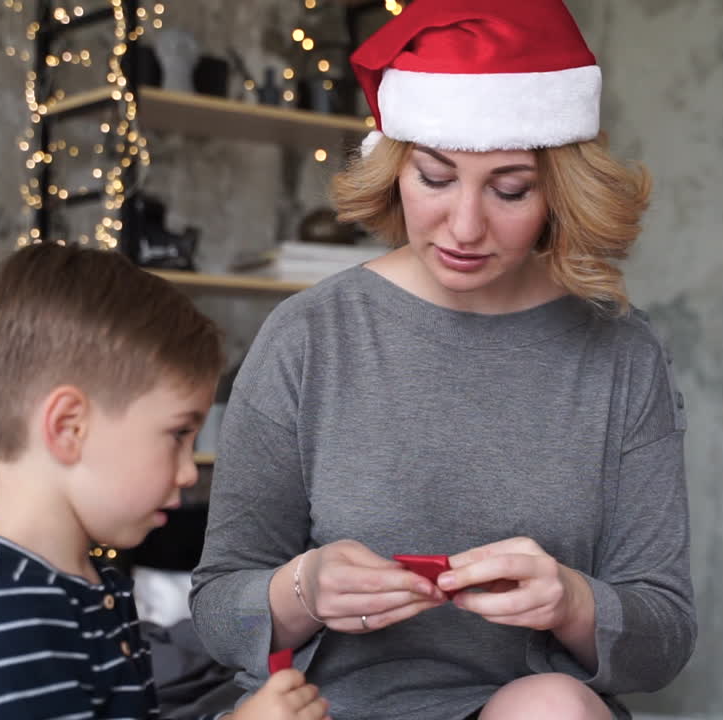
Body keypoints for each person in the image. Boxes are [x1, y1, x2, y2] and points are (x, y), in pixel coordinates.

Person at [190, 1, 695, 718]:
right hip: (326, 708)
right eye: (435, 178)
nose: (464, 227)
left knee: (551, 705)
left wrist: (573, 601)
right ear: (395, 167)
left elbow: (664, 641)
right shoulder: (308, 336)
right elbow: (217, 612)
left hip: (534, 710)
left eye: (510, 189)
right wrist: (302, 589)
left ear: (558, 190)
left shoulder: (621, 355)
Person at [0, 244, 329, 720]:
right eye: (177, 434)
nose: (189, 472)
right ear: (69, 427)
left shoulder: (79, 585)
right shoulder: (5, 619)